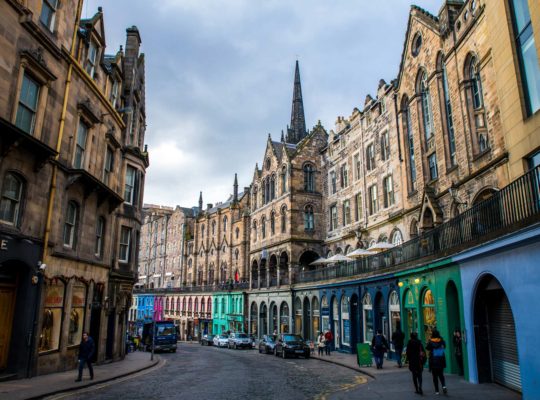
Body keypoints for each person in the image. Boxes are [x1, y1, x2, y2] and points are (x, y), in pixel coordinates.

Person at [426, 329, 447, 395]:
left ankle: (437, 390)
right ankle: (443, 386)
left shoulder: (430, 341)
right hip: (441, 359)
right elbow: (444, 346)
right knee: (441, 374)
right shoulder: (441, 340)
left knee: (435, 376)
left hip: (433, 360)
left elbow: (427, 348)